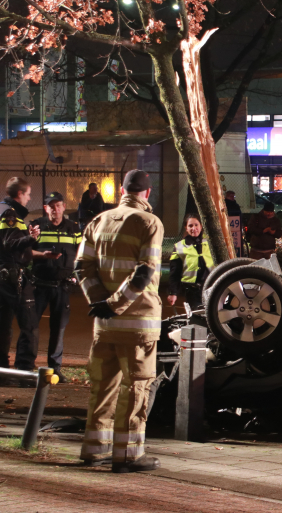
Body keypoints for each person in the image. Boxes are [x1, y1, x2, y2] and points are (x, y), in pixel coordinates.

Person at [76, 169, 164, 473]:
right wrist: (116, 305)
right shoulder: (149, 223)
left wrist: (99, 302)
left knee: (101, 387)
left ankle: (93, 450)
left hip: (104, 326)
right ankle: (127, 455)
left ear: (122, 191)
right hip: (137, 324)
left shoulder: (98, 221)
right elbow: (144, 272)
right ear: (147, 194)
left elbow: (81, 267)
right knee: (136, 387)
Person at [0, 178, 57, 375]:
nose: (29, 197)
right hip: (13, 277)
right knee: (29, 324)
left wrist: (39, 252)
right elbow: (10, 244)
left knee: (3, 325)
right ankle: (24, 368)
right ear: (19, 194)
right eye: (28, 194)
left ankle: (2, 370)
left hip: (3, 276)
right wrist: (30, 238)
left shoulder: (1, 209)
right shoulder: (10, 214)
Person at [31, 192, 82, 383]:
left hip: (62, 287)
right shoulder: (37, 226)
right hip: (39, 285)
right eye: (51, 206)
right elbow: (27, 251)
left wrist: (76, 274)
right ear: (46, 208)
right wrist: (42, 255)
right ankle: (27, 366)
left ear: (63, 206)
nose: (55, 209)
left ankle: (55, 369)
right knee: (31, 327)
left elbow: (80, 253)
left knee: (59, 328)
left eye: (58, 205)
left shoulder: (73, 228)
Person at [167, 214, 215, 311]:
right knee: (197, 318)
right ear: (186, 228)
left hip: (212, 287)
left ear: (201, 226)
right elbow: (175, 272)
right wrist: (173, 293)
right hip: (192, 291)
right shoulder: (179, 246)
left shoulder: (211, 243)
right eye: (190, 226)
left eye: (196, 225)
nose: (194, 228)